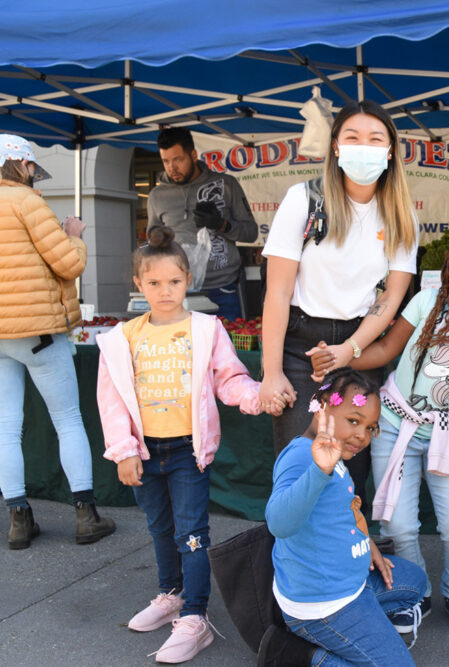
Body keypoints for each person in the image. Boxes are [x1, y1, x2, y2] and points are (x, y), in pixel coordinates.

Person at [97, 226, 281, 663]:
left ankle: (195, 617)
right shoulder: (121, 338)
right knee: (160, 529)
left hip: (186, 452)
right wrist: (123, 450)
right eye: (155, 283)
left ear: (188, 280)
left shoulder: (205, 328)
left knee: (192, 534)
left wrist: (257, 396)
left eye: (174, 282)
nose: (165, 291)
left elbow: (229, 377)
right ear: (138, 284)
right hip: (144, 453)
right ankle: (171, 594)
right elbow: (112, 399)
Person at [311, 234, 449, 636]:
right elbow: (385, 351)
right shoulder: (426, 301)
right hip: (394, 422)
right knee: (398, 526)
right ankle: (412, 591)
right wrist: (339, 357)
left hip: (447, 430)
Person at [259, 100, 419, 518]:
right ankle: (295, 570)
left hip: (360, 348)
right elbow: (276, 293)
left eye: (374, 138)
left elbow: (392, 296)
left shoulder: (400, 214)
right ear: (335, 148)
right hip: (300, 349)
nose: (362, 147)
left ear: (390, 150)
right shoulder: (303, 200)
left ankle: (351, 557)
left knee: (353, 461)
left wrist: (351, 349)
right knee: (300, 461)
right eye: (352, 137)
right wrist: (271, 373)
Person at [264, 368, 429, 666]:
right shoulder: (303, 457)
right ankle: (304, 655)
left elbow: (341, 509)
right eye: (353, 421)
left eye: (370, 428)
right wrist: (320, 471)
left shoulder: (336, 454)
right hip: (324, 604)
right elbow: (279, 523)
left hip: (350, 581)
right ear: (322, 410)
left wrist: (368, 543)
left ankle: (356, 631)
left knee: (414, 581)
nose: (361, 436)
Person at [0, 134, 116, 550]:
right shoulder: (29, 203)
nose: (35, 173)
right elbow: (69, 263)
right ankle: (86, 514)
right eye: (32, 167)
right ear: (21, 165)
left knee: (5, 428)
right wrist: (74, 234)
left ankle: (18, 519)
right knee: (67, 419)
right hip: (39, 333)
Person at [147, 127, 258, 321]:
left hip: (224, 287)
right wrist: (157, 238)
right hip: (179, 292)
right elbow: (152, 237)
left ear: (193, 155)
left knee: (228, 348)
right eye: (166, 161)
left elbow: (251, 233)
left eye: (178, 159)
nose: (172, 167)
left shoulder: (226, 184)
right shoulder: (157, 196)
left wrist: (222, 225)